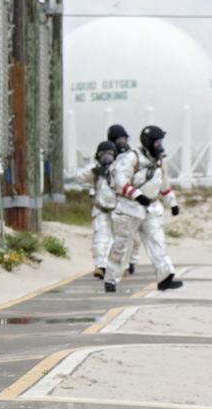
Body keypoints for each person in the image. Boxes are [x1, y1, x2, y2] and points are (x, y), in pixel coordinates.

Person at [104, 124, 183, 293]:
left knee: (157, 241)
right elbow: (120, 181)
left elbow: (164, 185)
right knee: (121, 245)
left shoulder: (160, 160)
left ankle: (165, 277)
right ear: (148, 142)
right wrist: (136, 195)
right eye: (157, 142)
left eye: (161, 141)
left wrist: (172, 203)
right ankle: (111, 279)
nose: (160, 145)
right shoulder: (131, 158)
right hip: (128, 208)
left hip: (152, 208)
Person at [76, 141, 118, 279]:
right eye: (103, 154)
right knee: (99, 240)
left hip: (118, 212)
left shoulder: (120, 170)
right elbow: (79, 177)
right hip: (101, 211)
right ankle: (101, 266)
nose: (106, 157)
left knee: (116, 241)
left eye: (110, 154)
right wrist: (94, 171)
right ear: (98, 156)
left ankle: (114, 267)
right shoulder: (95, 170)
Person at [107, 124, 140, 274]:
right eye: (118, 139)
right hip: (114, 200)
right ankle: (119, 265)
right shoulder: (109, 155)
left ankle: (132, 261)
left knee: (135, 236)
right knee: (119, 235)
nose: (121, 141)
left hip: (131, 198)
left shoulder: (132, 155)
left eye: (123, 138)